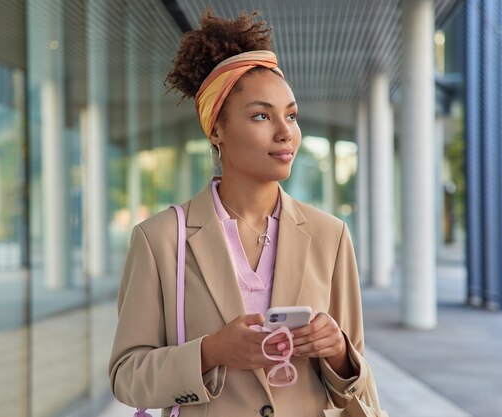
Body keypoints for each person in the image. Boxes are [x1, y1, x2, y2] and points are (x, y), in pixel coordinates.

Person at [109, 9, 372, 417]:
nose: (285, 132)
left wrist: (338, 351)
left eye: (291, 115)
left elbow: (358, 385)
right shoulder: (160, 238)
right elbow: (127, 376)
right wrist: (210, 351)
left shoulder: (330, 235)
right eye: (261, 116)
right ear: (216, 130)